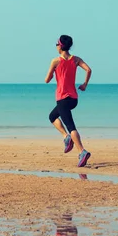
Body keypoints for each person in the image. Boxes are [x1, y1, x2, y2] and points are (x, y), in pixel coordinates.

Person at [45, 35, 92, 167]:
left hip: (62, 98)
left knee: (71, 126)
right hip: (73, 99)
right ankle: (66, 137)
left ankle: (82, 151)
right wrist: (84, 85)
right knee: (52, 116)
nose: (56, 46)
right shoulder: (76, 59)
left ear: (60, 45)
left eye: (56, 44)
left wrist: (53, 73)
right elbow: (89, 70)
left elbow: (47, 80)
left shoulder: (55, 61)